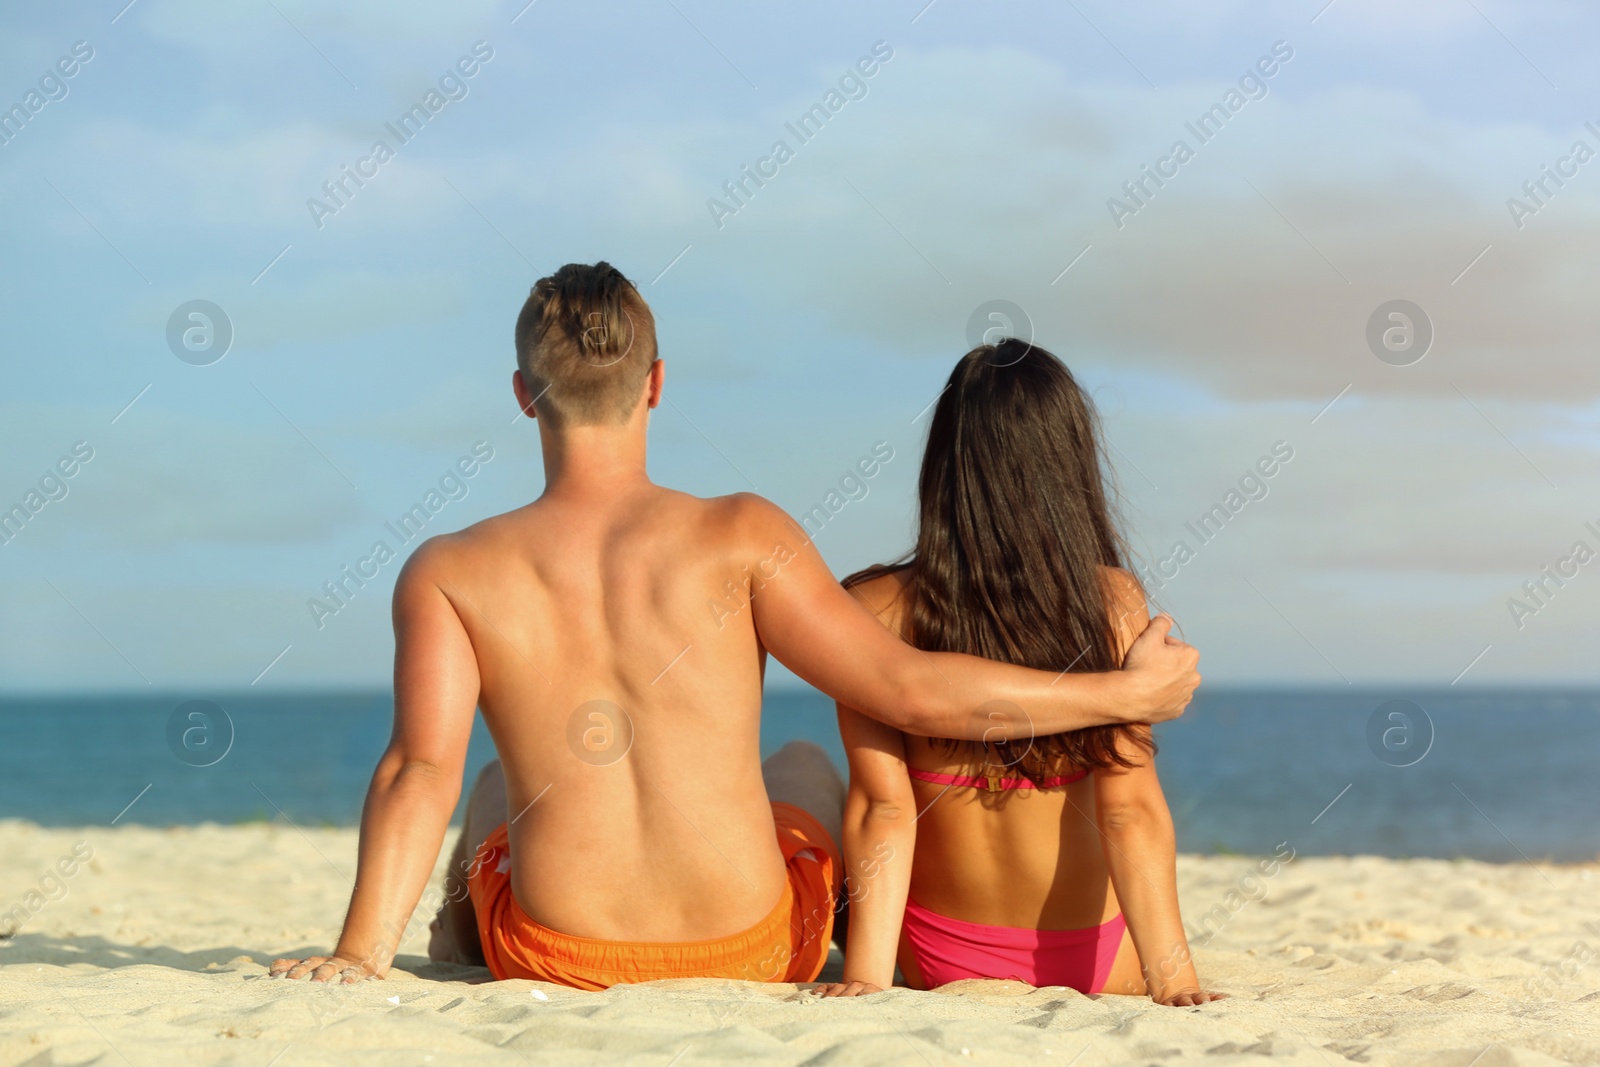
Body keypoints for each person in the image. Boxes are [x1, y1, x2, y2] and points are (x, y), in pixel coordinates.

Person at [268, 264, 1200, 991]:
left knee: (479, 782)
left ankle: (447, 932)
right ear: (657, 383)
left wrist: (359, 953)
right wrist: (1120, 692)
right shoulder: (744, 535)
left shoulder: (450, 570)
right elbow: (910, 688)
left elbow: (412, 771)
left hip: (549, 951)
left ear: (523, 393)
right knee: (799, 762)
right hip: (754, 949)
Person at [817, 340, 1225, 1005]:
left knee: (804, 765)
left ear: (944, 466)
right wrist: (1176, 984)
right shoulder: (1111, 603)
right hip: (1093, 964)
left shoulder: (871, 608)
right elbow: (1131, 814)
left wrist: (866, 980)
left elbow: (884, 808)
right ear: (1068, 468)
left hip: (936, 961)